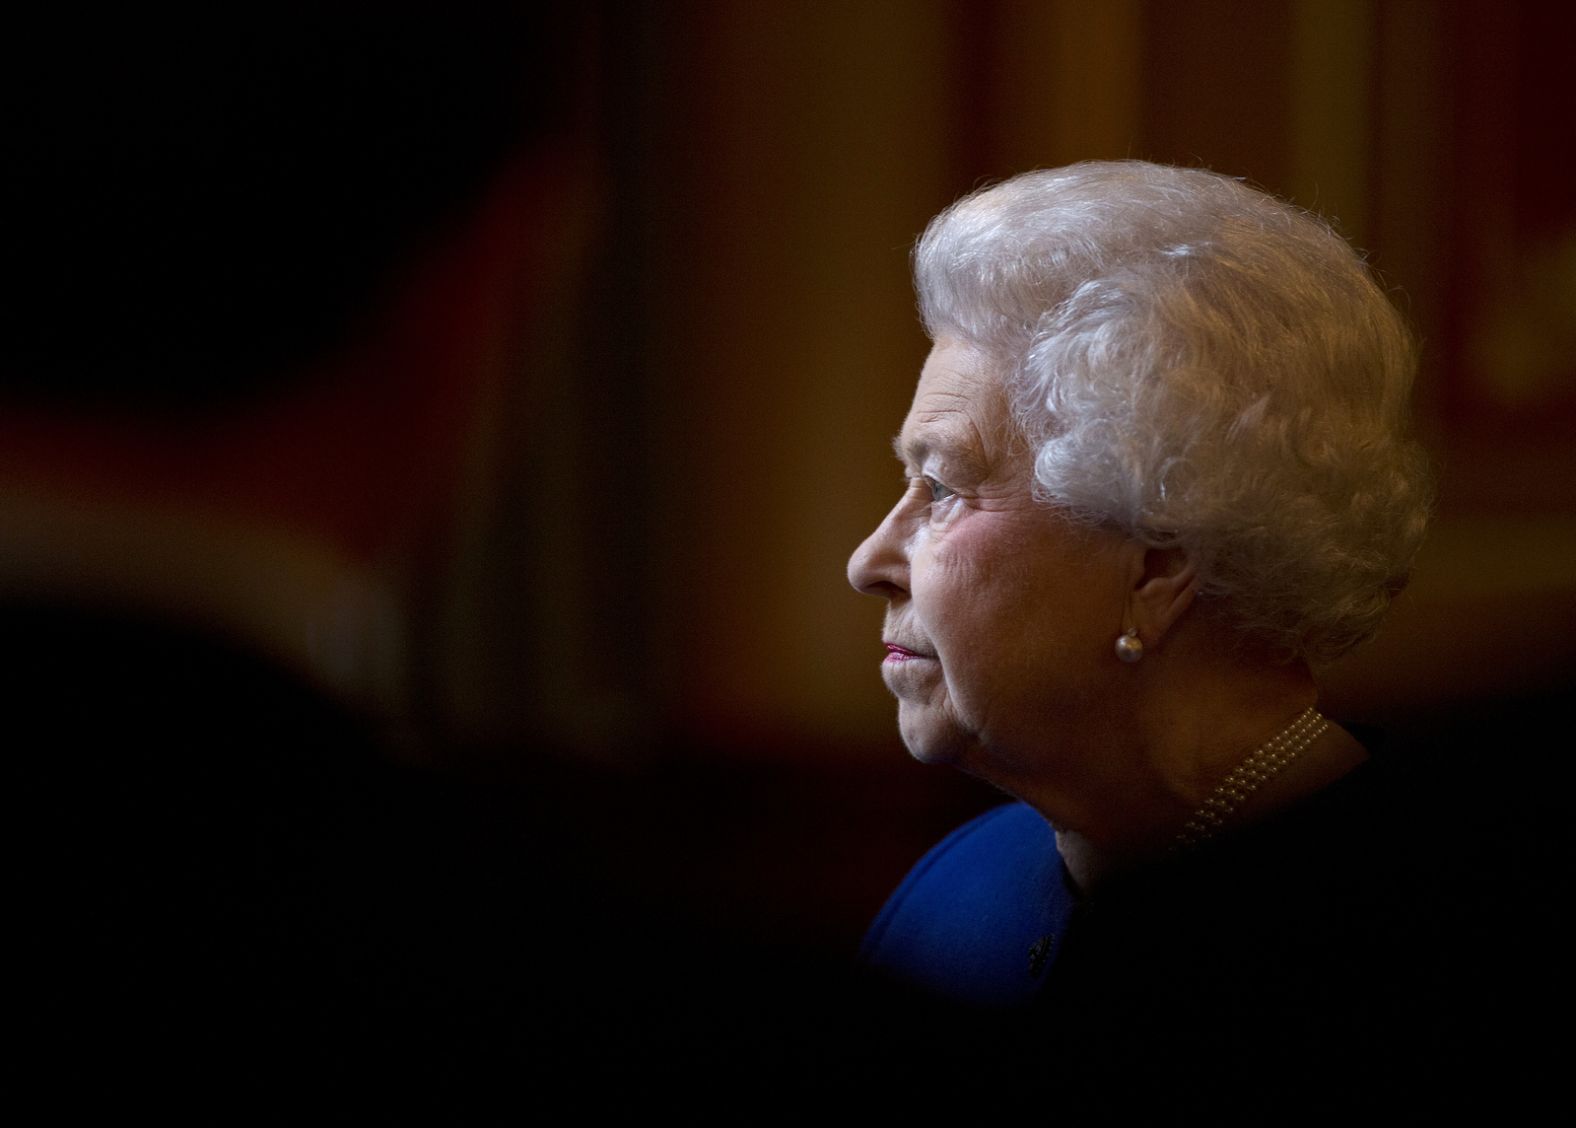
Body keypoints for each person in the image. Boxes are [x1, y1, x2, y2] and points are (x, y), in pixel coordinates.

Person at [847, 162, 1556, 1115]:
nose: (868, 560)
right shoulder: (949, 902)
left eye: (942, 489)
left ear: (1157, 569)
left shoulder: (1450, 933)